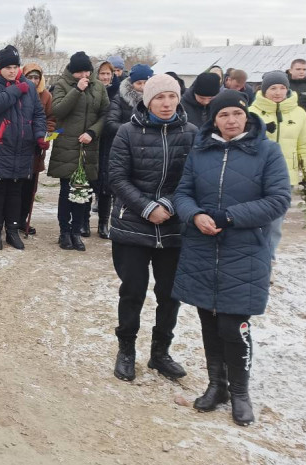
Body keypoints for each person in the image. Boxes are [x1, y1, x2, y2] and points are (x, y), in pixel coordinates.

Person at [172, 91, 291, 426]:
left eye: (236, 114)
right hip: (202, 247)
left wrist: (229, 217)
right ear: (213, 119)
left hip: (245, 250)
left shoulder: (267, 151)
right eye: (223, 115)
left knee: (233, 325)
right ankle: (217, 385)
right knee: (209, 319)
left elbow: (279, 200)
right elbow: (182, 193)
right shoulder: (201, 151)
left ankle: (240, 391)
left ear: (246, 115)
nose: (231, 121)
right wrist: (194, 215)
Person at [107, 74, 197, 383]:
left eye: (172, 96)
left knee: (170, 295)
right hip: (132, 225)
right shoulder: (127, 133)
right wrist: (146, 207)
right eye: (160, 97)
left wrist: (168, 206)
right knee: (132, 291)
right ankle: (127, 350)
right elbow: (117, 177)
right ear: (148, 100)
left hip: (173, 228)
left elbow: (193, 179)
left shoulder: (191, 133)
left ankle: (160, 352)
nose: (166, 103)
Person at [0, 46, 47, 250]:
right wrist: (15, 90)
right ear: (0, 66)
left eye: (15, 66)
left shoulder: (29, 88)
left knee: (16, 190)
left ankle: (13, 230)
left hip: (22, 148)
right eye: (8, 67)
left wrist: (40, 134)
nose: (12, 70)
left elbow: (38, 114)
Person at [248, 71, 306, 258]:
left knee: (275, 225)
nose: (278, 92)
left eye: (282, 88)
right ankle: (252, 260)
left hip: (285, 177)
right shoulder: (252, 112)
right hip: (255, 176)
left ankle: (267, 261)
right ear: (264, 90)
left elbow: (305, 145)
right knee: (254, 222)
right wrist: (261, 130)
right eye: (273, 88)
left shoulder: (299, 113)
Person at [48, 52, 109, 251]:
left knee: (83, 193)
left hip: (89, 147)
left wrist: (93, 131)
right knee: (67, 192)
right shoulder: (62, 85)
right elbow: (58, 111)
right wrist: (76, 90)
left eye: (87, 71)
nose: (84, 75)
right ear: (72, 72)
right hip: (67, 146)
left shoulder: (99, 87)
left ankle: (76, 232)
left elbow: (105, 113)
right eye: (79, 72)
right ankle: (64, 232)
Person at [99, 64, 154, 239]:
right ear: (132, 83)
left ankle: (128, 223)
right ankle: (103, 223)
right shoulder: (120, 99)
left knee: (134, 188)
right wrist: (132, 130)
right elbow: (110, 123)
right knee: (110, 188)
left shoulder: (154, 101)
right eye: (139, 83)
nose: (143, 86)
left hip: (145, 152)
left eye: (146, 83)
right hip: (120, 148)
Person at [20, 63, 55, 237]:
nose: (33, 81)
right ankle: (12, 218)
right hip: (19, 145)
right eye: (30, 77)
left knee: (30, 188)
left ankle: (23, 218)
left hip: (36, 147)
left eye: (36, 77)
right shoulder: (19, 91)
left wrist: (45, 137)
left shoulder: (46, 96)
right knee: (17, 186)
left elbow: (51, 120)